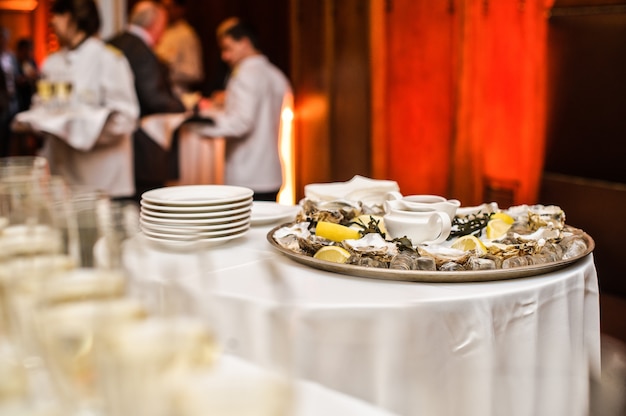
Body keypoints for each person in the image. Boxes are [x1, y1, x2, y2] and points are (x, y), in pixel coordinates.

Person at [34, 0, 139, 198]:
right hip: (60, 178)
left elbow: (127, 118)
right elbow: (41, 106)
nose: (52, 23)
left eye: (57, 15)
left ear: (73, 18)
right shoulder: (52, 62)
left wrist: (80, 129)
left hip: (100, 180)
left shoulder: (109, 59)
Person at [196, 18, 291, 201]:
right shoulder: (276, 74)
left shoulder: (244, 75)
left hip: (247, 174)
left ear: (245, 43)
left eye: (228, 48)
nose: (225, 56)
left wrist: (200, 125)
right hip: (271, 172)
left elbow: (241, 123)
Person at [108, 1, 186, 202]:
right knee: (146, 203)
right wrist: (183, 107)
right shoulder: (141, 50)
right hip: (142, 142)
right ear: (157, 24)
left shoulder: (112, 42)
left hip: (114, 139)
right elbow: (153, 97)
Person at [155, 0, 203, 97]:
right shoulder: (161, 30)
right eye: (162, 8)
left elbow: (195, 73)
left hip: (178, 94)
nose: (165, 11)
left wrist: (168, 70)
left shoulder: (186, 34)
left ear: (180, 9)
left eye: (168, 8)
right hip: (157, 92)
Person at [0, 27, 19, 157]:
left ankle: (6, 160)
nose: (4, 41)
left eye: (5, 38)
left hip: (13, 100)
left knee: (10, 135)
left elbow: (15, 75)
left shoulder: (11, 57)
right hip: (1, 102)